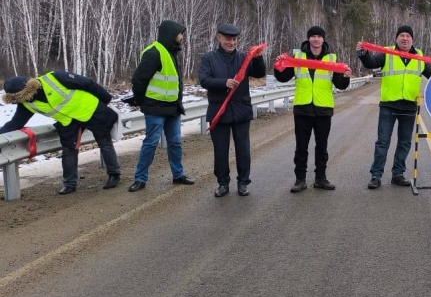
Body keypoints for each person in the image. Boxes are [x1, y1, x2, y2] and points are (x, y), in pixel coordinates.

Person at [356, 25, 431, 189]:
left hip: (409, 106)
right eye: (402, 35)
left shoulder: (419, 56)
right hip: (389, 105)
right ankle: (376, 175)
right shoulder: (387, 53)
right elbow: (370, 63)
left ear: (412, 39)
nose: (405, 38)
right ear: (396, 38)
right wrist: (363, 53)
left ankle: (398, 174)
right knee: (383, 142)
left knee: (404, 142)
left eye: (408, 36)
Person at [0, 72, 121, 194]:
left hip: (90, 110)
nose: (26, 100)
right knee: (69, 151)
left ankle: (114, 174)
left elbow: (87, 83)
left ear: (29, 89)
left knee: (104, 143)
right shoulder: (26, 104)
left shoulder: (55, 78)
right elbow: (15, 123)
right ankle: (69, 184)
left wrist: (106, 100)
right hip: (67, 122)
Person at [275, 25, 350, 193]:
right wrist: (279, 66)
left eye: (319, 36)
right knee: (301, 147)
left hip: (323, 108)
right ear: (308, 39)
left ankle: (320, 178)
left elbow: (340, 85)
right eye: (313, 36)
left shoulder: (331, 58)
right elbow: (283, 77)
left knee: (321, 146)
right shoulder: (297, 57)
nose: (316, 39)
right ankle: (300, 179)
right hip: (303, 108)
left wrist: (346, 77)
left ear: (323, 39)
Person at [199, 23, 267, 197]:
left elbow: (259, 74)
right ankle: (223, 183)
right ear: (219, 38)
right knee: (220, 150)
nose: (231, 42)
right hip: (218, 111)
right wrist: (224, 82)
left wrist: (258, 58)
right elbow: (204, 80)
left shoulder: (245, 57)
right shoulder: (208, 58)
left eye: (234, 39)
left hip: (241, 110)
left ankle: (243, 182)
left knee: (243, 149)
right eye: (228, 39)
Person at [127, 19, 195, 192]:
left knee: (175, 143)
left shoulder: (171, 52)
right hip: (155, 108)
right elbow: (138, 80)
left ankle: (178, 175)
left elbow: (174, 83)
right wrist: (141, 101)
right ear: (171, 34)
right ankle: (140, 179)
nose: (182, 37)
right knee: (151, 143)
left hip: (172, 107)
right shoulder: (154, 52)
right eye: (180, 34)